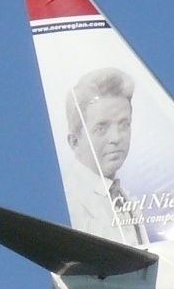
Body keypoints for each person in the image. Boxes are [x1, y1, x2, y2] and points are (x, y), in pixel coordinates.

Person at [62, 67, 148, 245]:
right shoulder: (71, 203)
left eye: (124, 124)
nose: (116, 138)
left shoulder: (124, 197)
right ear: (74, 142)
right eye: (102, 128)